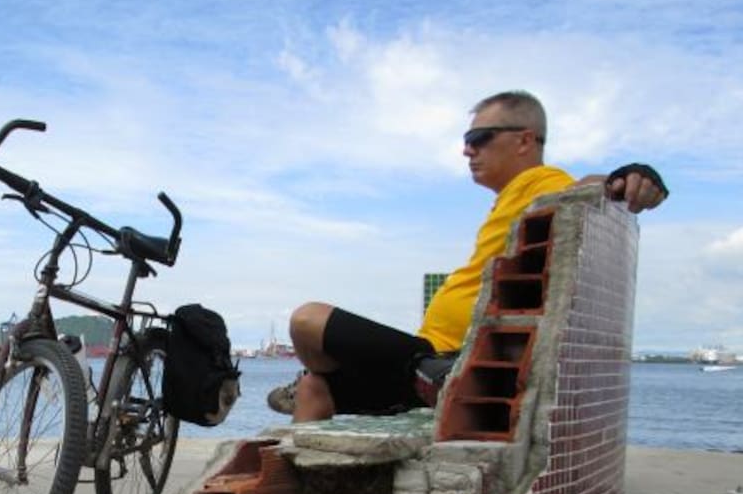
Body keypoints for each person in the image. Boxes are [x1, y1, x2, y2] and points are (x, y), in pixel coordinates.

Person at [267, 90, 668, 422]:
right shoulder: (510, 199)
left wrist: (626, 178)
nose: (466, 151)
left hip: (454, 359)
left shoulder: (540, 183)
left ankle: (432, 375)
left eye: (479, 138)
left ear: (524, 140)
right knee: (313, 388)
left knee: (307, 320)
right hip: (426, 364)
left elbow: (584, 189)